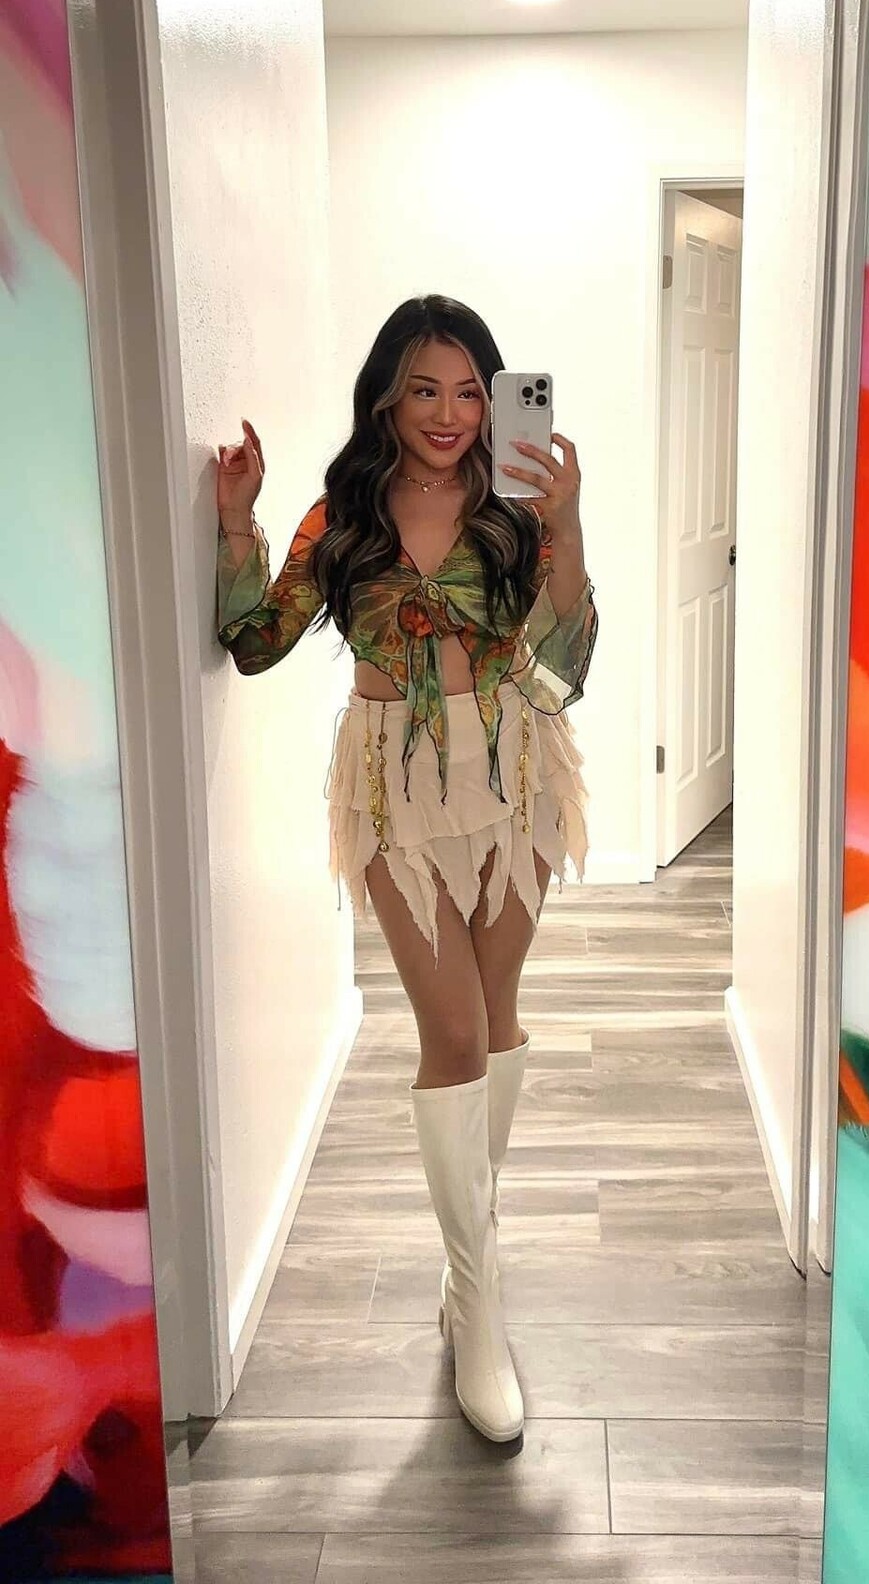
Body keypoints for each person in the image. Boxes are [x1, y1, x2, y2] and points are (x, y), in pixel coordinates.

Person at [215, 295, 596, 1443]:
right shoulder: (343, 515)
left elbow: (564, 666)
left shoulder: (515, 509)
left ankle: (468, 1275)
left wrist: (568, 522)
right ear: (386, 394)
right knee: (454, 1033)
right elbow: (255, 643)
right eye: (424, 388)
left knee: (499, 1016)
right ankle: (479, 1310)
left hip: (516, 772)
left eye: (471, 391)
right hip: (393, 789)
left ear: (495, 401)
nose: (449, 413)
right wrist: (237, 524)